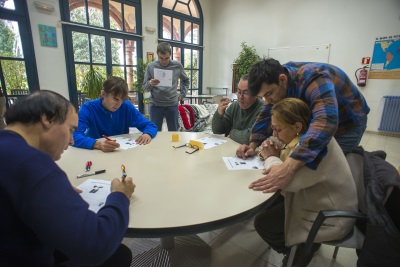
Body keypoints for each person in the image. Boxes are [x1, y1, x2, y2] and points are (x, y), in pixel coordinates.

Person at [0, 90, 136, 267]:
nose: (71, 141)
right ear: (48, 119)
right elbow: (97, 244)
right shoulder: (33, 164)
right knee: (119, 255)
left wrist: (47, 190)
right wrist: (120, 196)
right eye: (70, 130)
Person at [236, 58, 370, 193]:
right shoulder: (275, 81)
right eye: (263, 97)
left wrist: (289, 167)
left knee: (320, 166)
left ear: (282, 80)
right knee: (301, 159)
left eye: (269, 94)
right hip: (326, 118)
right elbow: (266, 114)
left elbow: (325, 121)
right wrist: (252, 145)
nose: (267, 100)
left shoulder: (313, 78)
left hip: (349, 122)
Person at [251, 98, 358, 266]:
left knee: (263, 223)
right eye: (272, 128)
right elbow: (286, 151)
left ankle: (300, 251)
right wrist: (269, 146)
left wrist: (271, 156)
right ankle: (300, 245)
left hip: (331, 216)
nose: (274, 133)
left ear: (297, 127)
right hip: (315, 197)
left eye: (277, 129)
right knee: (266, 206)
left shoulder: (311, 148)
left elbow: (286, 182)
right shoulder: (304, 136)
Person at [73, 76, 158, 152]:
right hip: (95, 152)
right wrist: (98, 144)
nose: (119, 105)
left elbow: (150, 125)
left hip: (120, 151)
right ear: (103, 94)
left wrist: (148, 134)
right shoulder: (88, 108)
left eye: (122, 100)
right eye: (115, 99)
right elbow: (74, 136)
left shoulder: (126, 106)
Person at [143, 42, 190, 131]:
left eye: (167, 58)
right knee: (154, 133)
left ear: (170, 55)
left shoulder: (177, 66)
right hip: (155, 105)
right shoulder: (151, 66)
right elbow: (144, 88)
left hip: (172, 104)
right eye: (161, 58)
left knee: (174, 133)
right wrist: (150, 84)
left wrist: (182, 94)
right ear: (157, 55)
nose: (164, 61)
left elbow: (186, 80)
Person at [212, 74, 263, 145]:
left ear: (256, 94)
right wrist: (219, 113)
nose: (240, 97)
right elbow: (217, 131)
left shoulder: (263, 109)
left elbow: (252, 136)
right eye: (239, 92)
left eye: (246, 93)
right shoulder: (235, 106)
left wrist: (232, 133)